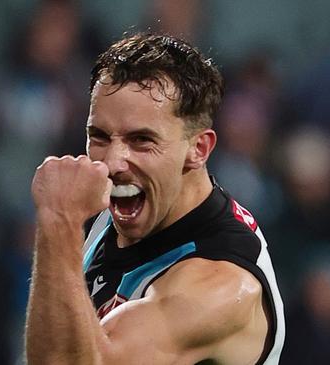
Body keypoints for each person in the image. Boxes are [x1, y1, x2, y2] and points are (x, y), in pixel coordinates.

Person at [25, 33, 285, 365]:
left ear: (198, 149)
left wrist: (58, 220)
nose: (112, 163)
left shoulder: (218, 287)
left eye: (142, 140)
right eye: (99, 136)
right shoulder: (129, 201)